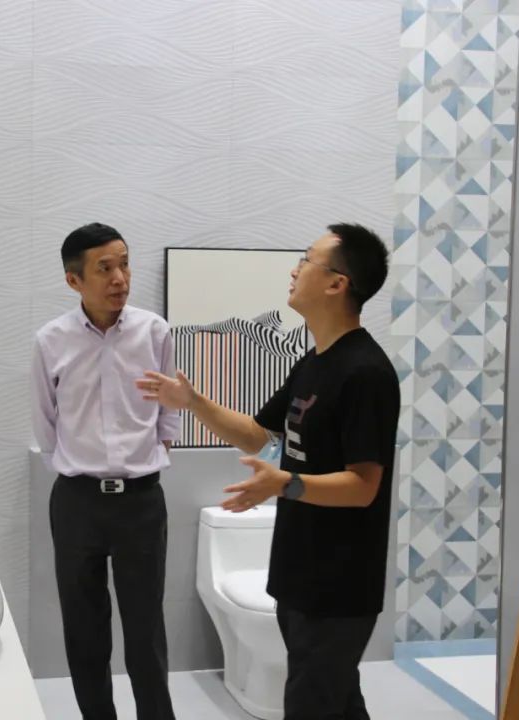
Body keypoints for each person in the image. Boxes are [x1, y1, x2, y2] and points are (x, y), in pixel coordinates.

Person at [137, 223, 399, 720]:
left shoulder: (366, 373)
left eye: (306, 260)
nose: (294, 270)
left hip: (339, 582)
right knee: (339, 702)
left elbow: (363, 487)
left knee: (310, 705)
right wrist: (192, 402)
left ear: (337, 283)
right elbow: (258, 434)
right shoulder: (313, 362)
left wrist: (285, 483)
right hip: (300, 568)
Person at [32, 222, 179, 720]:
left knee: (145, 630)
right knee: (84, 628)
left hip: (141, 501)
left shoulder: (154, 331)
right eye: (105, 268)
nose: (120, 278)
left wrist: (149, 457)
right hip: (77, 501)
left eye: (124, 264)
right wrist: (77, 470)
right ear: (74, 280)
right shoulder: (50, 340)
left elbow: (169, 413)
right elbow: (45, 421)